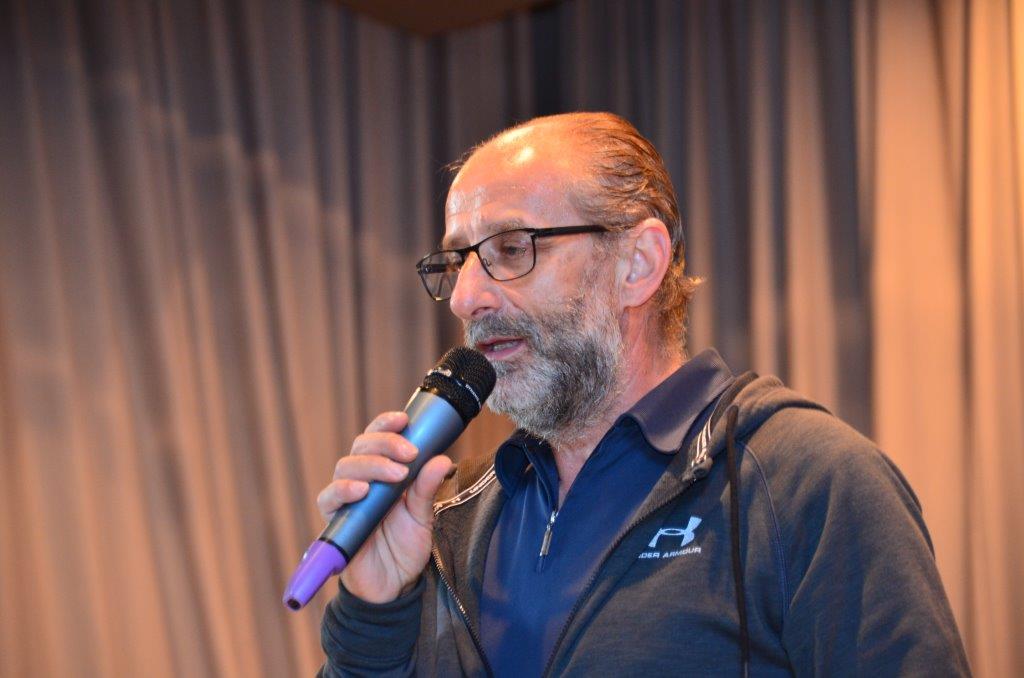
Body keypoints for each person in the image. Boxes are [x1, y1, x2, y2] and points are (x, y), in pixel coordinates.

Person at [315, 112, 970, 676]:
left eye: (511, 248)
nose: (465, 297)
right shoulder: (450, 512)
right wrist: (374, 611)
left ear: (638, 264)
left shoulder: (806, 481)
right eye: (458, 260)